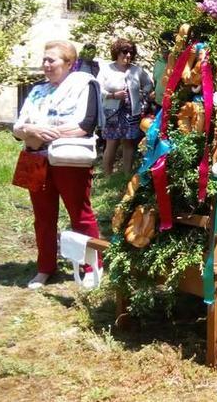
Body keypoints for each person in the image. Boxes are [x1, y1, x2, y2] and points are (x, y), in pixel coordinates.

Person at [12, 41, 103, 289]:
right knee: (42, 217)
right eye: (44, 60)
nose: (46, 65)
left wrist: (39, 131)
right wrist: (30, 129)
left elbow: (85, 124)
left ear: (69, 64)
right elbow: (18, 127)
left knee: (80, 215)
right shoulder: (37, 90)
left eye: (52, 60)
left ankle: (92, 267)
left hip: (69, 160)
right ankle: (45, 268)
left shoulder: (85, 84)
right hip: (34, 159)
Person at [98, 38, 153, 176]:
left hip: (131, 112)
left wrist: (142, 93)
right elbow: (98, 89)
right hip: (112, 112)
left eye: (130, 52)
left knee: (129, 143)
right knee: (112, 143)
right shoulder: (107, 69)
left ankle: (127, 174)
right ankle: (107, 175)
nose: (128, 55)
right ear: (117, 52)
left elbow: (149, 84)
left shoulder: (136, 70)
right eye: (124, 52)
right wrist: (113, 95)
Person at [151, 31, 174, 108]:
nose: (165, 48)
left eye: (168, 45)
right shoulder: (158, 62)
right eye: (162, 45)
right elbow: (155, 81)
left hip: (171, 107)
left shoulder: (177, 64)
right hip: (157, 104)